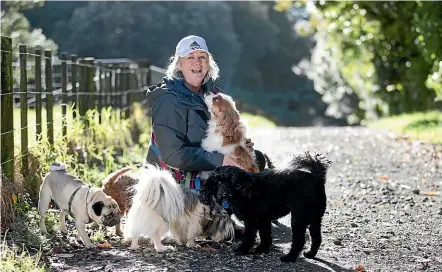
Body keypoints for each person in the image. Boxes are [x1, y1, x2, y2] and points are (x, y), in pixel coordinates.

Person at [145, 35, 252, 237]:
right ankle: (209, 224)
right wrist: (221, 159)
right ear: (179, 64)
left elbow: (224, 131)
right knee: (230, 172)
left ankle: (221, 221)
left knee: (250, 164)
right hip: (174, 178)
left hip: (203, 170)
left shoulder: (212, 94)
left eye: (202, 56)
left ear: (209, 63)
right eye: (190, 57)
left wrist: (237, 145)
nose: (197, 62)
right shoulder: (167, 100)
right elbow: (173, 155)